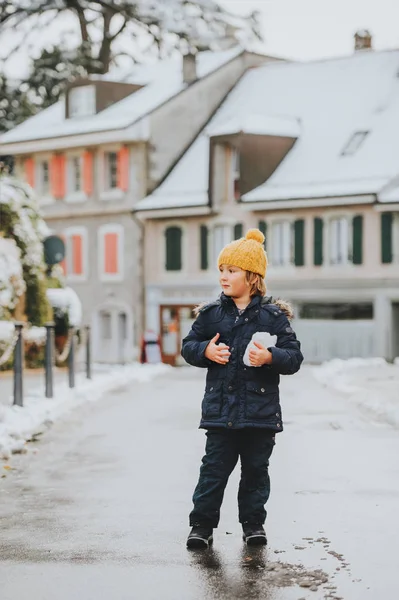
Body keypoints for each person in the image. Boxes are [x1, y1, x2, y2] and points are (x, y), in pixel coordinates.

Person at [181, 228, 304, 549]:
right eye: (221, 270)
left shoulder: (273, 317)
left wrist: (269, 356)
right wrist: (205, 350)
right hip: (220, 413)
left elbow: (294, 357)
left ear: (252, 277)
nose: (224, 276)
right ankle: (201, 526)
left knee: (255, 474)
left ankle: (253, 525)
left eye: (232, 271)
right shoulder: (211, 315)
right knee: (213, 473)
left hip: (259, 414)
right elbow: (188, 346)